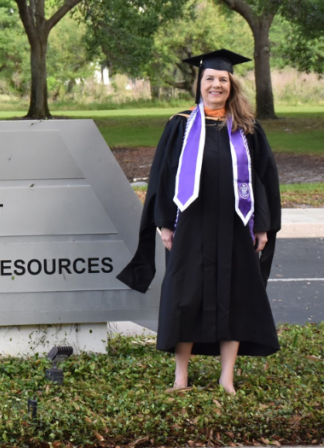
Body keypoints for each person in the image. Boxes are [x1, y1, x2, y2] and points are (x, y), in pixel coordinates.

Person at [117, 49, 282, 393]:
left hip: (238, 224)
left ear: (232, 85)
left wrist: (263, 224)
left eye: (223, 79)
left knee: (235, 294)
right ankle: (180, 378)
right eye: (210, 79)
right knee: (184, 295)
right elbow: (162, 176)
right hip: (189, 224)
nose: (216, 85)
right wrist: (164, 222)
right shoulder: (180, 124)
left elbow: (262, 179)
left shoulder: (247, 128)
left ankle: (227, 378)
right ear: (200, 84)